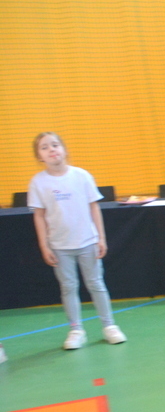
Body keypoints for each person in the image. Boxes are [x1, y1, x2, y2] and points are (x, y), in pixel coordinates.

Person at [28, 132, 126, 350]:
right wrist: (44, 245)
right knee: (68, 287)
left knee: (96, 284)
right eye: (44, 147)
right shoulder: (38, 182)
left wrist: (100, 237)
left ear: (64, 150)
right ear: (39, 156)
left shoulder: (82, 176)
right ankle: (76, 330)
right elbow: (39, 216)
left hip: (87, 242)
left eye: (55, 145)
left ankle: (109, 326)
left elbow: (94, 207)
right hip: (59, 246)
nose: (51, 150)